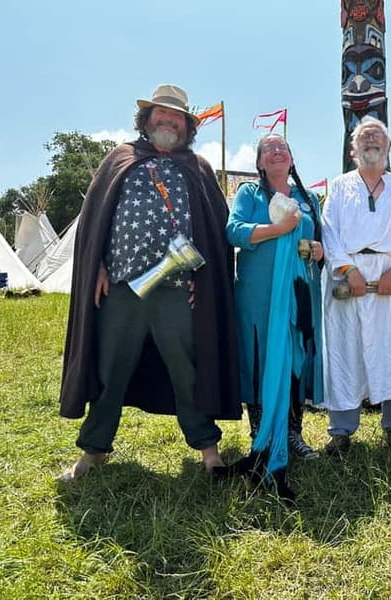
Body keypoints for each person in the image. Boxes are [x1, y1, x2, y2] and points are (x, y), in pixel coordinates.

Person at [59, 84, 241, 481]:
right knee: (110, 370)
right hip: (121, 287)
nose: (168, 120)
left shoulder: (198, 167)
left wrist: (204, 281)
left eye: (176, 117)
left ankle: (208, 451)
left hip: (176, 291)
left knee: (187, 370)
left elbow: (215, 232)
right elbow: (96, 223)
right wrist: (99, 265)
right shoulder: (120, 159)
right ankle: (93, 452)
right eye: (161, 114)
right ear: (146, 120)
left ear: (187, 127)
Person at [221, 134, 324, 500]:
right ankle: (261, 433)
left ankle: (292, 432)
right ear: (261, 163)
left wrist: (317, 249)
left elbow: (322, 244)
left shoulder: (308, 199)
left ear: (292, 159)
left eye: (283, 148)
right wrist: (278, 230)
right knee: (261, 359)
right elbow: (233, 231)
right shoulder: (249, 195)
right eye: (269, 150)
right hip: (258, 297)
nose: (277, 152)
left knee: (296, 359)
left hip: (299, 292)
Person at [321, 116, 391, 453]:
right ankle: (341, 429)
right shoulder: (338, 186)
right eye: (364, 136)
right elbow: (329, 232)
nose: (371, 140)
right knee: (344, 351)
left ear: (389, 147)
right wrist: (347, 269)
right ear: (353, 148)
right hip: (348, 277)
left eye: (377, 135)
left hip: (389, 278)